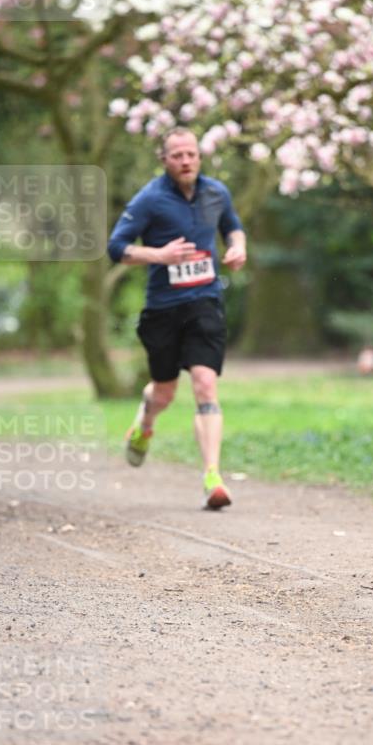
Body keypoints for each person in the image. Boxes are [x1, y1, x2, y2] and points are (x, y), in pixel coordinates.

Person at [107, 128, 247, 509]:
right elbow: (116, 247)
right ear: (164, 160)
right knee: (164, 392)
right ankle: (145, 423)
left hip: (205, 302)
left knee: (205, 384)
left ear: (199, 156)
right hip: (163, 310)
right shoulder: (149, 199)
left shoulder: (216, 192)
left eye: (191, 154)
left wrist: (237, 248)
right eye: (177, 155)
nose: (185, 161)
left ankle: (212, 476)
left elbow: (232, 226)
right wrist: (159, 255)